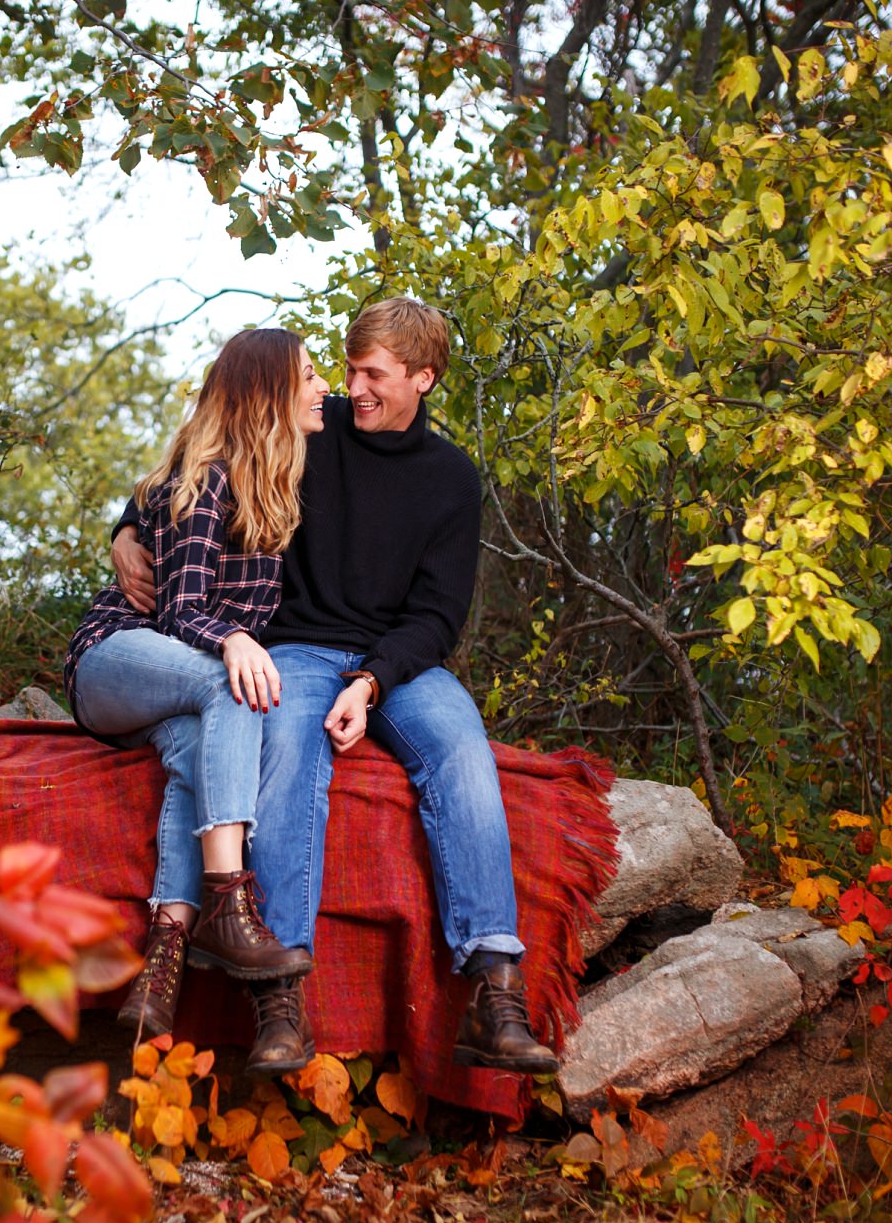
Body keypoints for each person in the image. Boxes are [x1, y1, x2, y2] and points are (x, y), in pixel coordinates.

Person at [112, 298, 557, 1077]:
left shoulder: (452, 477)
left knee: (461, 748)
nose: (354, 387)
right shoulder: (314, 432)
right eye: (348, 368)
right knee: (285, 744)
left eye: (374, 374)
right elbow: (212, 449)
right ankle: (278, 1000)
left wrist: (375, 682)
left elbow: (439, 613)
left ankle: (496, 990)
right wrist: (124, 528)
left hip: (401, 663)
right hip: (298, 650)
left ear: (424, 378)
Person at [66, 327, 330, 1044]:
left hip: (172, 691)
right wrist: (236, 637)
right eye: (309, 375)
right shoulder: (208, 474)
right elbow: (182, 611)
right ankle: (228, 907)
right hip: (117, 660)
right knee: (230, 686)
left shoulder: (276, 475)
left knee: (196, 758)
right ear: (272, 390)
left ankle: (162, 964)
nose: (324, 387)